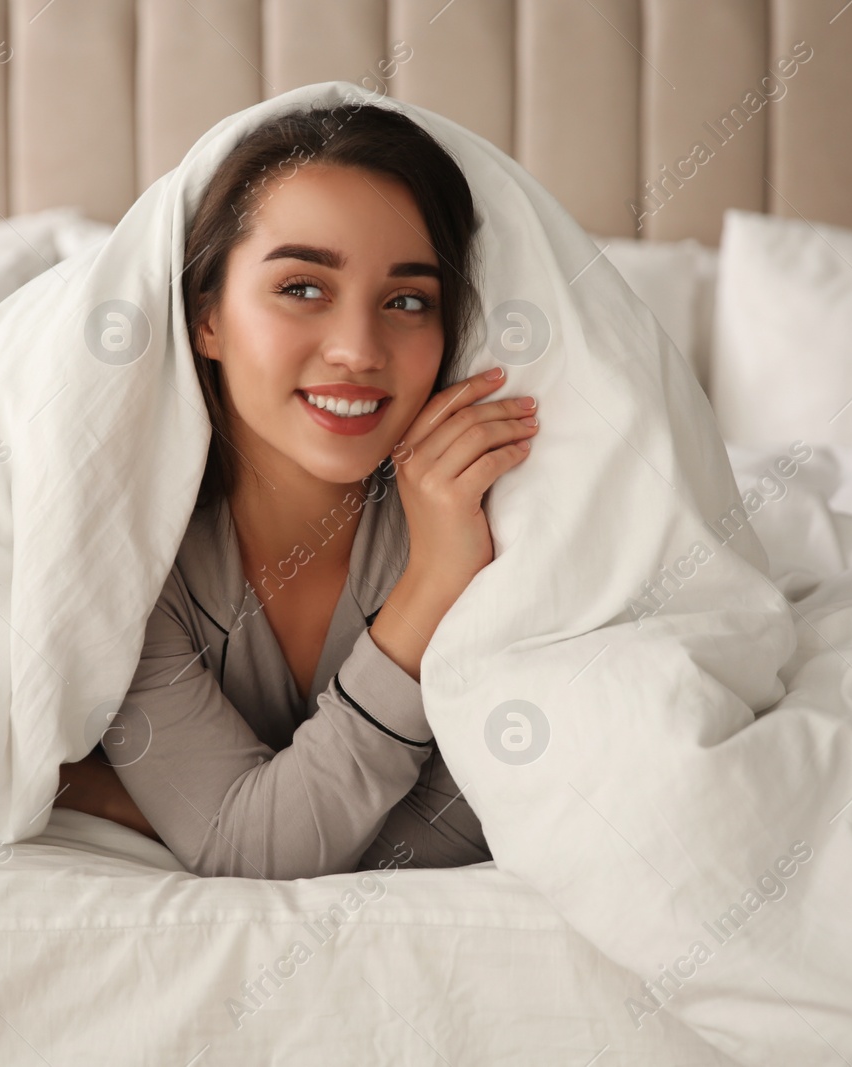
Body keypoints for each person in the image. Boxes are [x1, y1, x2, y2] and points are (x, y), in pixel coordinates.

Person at [53, 103, 541, 878]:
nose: (357, 350)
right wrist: (426, 601)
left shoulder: (492, 516)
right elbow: (254, 850)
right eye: (303, 288)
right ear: (206, 317)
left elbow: (471, 824)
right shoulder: (135, 556)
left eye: (408, 300)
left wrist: (132, 797)